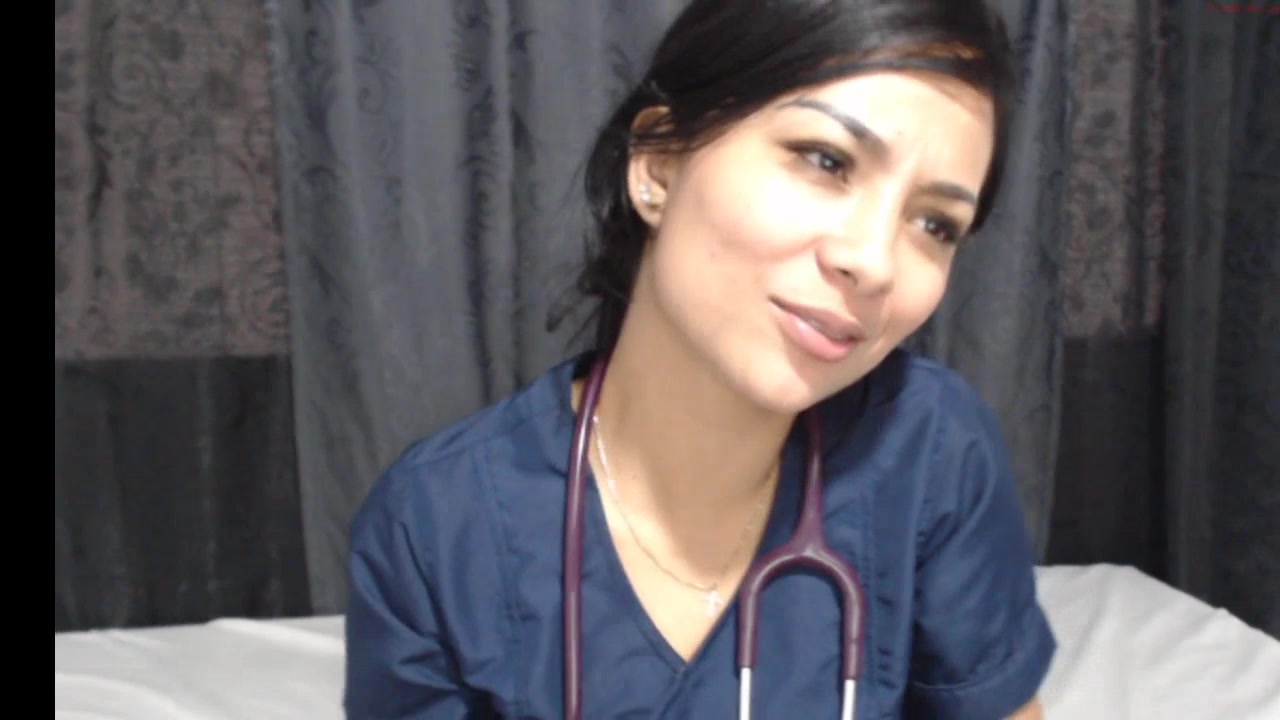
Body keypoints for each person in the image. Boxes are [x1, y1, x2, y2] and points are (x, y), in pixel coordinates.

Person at [343, 0, 1057, 717]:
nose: (873, 261)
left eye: (935, 224)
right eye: (826, 160)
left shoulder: (930, 451)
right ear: (658, 165)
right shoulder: (436, 528)